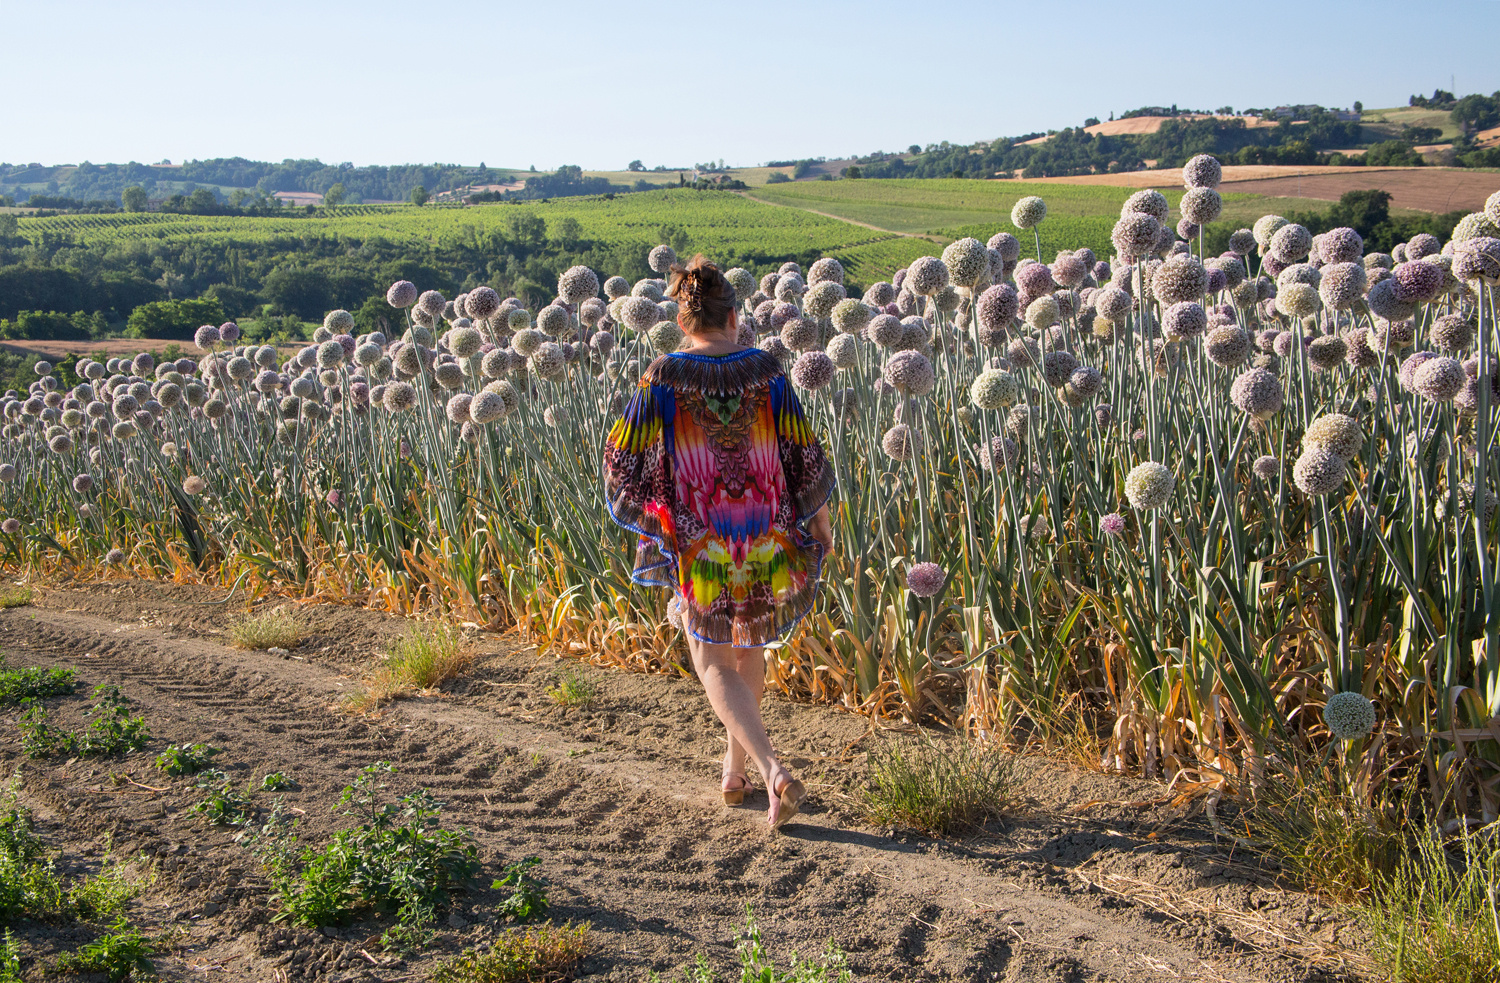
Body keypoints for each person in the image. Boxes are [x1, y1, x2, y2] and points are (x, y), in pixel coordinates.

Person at [604, 255, 835, 831]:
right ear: (734, 317)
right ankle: (734, 771)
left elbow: (621, 458)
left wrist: (659, 509)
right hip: (764, 527)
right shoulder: (766, 368)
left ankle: (770, 768)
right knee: (748, 646)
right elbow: (801, 448)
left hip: (702, 536)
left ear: (685, 322)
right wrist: (821, 516)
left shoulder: (663, 375)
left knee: (709, 656)